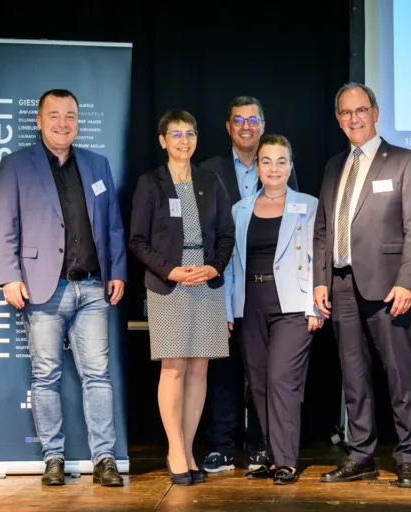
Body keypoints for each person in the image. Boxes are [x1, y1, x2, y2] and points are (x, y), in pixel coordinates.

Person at [0, 88, 126, 487]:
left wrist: (116, 270)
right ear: (39, 120)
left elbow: (114, 225)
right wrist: (9, 275)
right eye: (54, 115)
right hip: (41, 288)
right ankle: (53, 457)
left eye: (70, 115)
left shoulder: (97, 164)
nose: (62, 123)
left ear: (77, 121)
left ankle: (104, 458)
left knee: (97, 376)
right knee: (45, 375)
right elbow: (5, 225)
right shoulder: (16, 165)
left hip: (93, 288)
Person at [312, 82, 411, 488]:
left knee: (400, 374)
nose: (354, 118)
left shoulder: (404, 161)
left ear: (376, 113)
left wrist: (407, 282)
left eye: (361, 110)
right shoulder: (332, 166)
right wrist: (320, 281)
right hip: (341, 287)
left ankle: (409, 456)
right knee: (354, 376)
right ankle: (361, 455)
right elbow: (323, 229)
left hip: (388, 287)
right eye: (346, 113)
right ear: (338, 120)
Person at [128, 109, 235, 486]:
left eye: (189, 133)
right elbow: (137, 241)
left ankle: (189, 449)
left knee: (199, 368)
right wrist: (170, 270)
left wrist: (215, 267)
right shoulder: (150, 183)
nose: (183, 141)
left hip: (205, 280)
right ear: (163, 140)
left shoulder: (211, 181)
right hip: (169, 281)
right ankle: (175, 449)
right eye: (175, 134)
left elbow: (226, 235)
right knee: (173, 367)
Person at [197, 96, 298, 472]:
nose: (245, 126)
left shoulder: (280, 167)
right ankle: (221, 445)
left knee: (265, 373)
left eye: (253, 120)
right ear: (228, 127)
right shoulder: (207, 170)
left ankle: (261, 445)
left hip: (270, 291)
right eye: (238, 120)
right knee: (223, 370)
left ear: (262, 124)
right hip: (218, 284)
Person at [223, 134, 324, 485]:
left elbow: (317, 258)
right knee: (258, 384)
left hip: (293, 304)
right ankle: (267, 453)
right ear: (257, 167)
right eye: (266, 161)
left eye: (281, 161)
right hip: (249, 302)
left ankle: (286, 460)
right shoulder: (240, 209)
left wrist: (316, 305)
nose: (274, 168)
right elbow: (230, 264)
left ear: (291, 165)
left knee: (283, 379)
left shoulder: (309, 205)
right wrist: (226, 310)